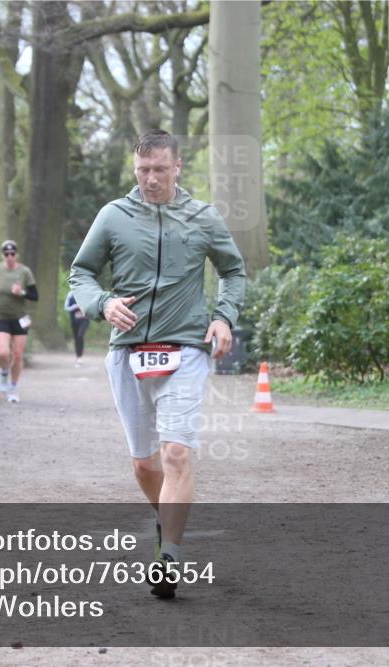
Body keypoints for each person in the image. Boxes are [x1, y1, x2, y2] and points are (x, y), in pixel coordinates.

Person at [69, 129, 246, 599]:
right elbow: (80, 272)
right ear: (135, 170)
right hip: (126, 354)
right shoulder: (114, 216)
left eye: (160, 170)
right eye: (143, 171)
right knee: (145, 466)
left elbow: (233, 270)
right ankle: (165, 519)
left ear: (178, 167)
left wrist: (224, 317)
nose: (151, 179)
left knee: (176, 454)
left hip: (186, 350)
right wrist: (102, 303)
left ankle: (169, 555)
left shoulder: (202, 217)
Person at [0, 240, 37, 403]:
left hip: (20, 318)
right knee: (3, 353)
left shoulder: (24, 272)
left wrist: (21, 292)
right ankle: (4, 372)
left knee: (18, 355)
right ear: (2, 255)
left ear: (17, 254)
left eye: (12, 254)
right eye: (6, 254)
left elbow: (35, 296)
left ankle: (13, 388)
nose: (9, 257)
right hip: (0, 317)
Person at [64, 292, 89, 367]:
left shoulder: (86, 293)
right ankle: (78, 357)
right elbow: (66, 307)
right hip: (74, 321)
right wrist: (75, 306)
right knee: (76, 338)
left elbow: (90, 306)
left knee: (80, 336)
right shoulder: (70, 295)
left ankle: (80, 357)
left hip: (84, 320)